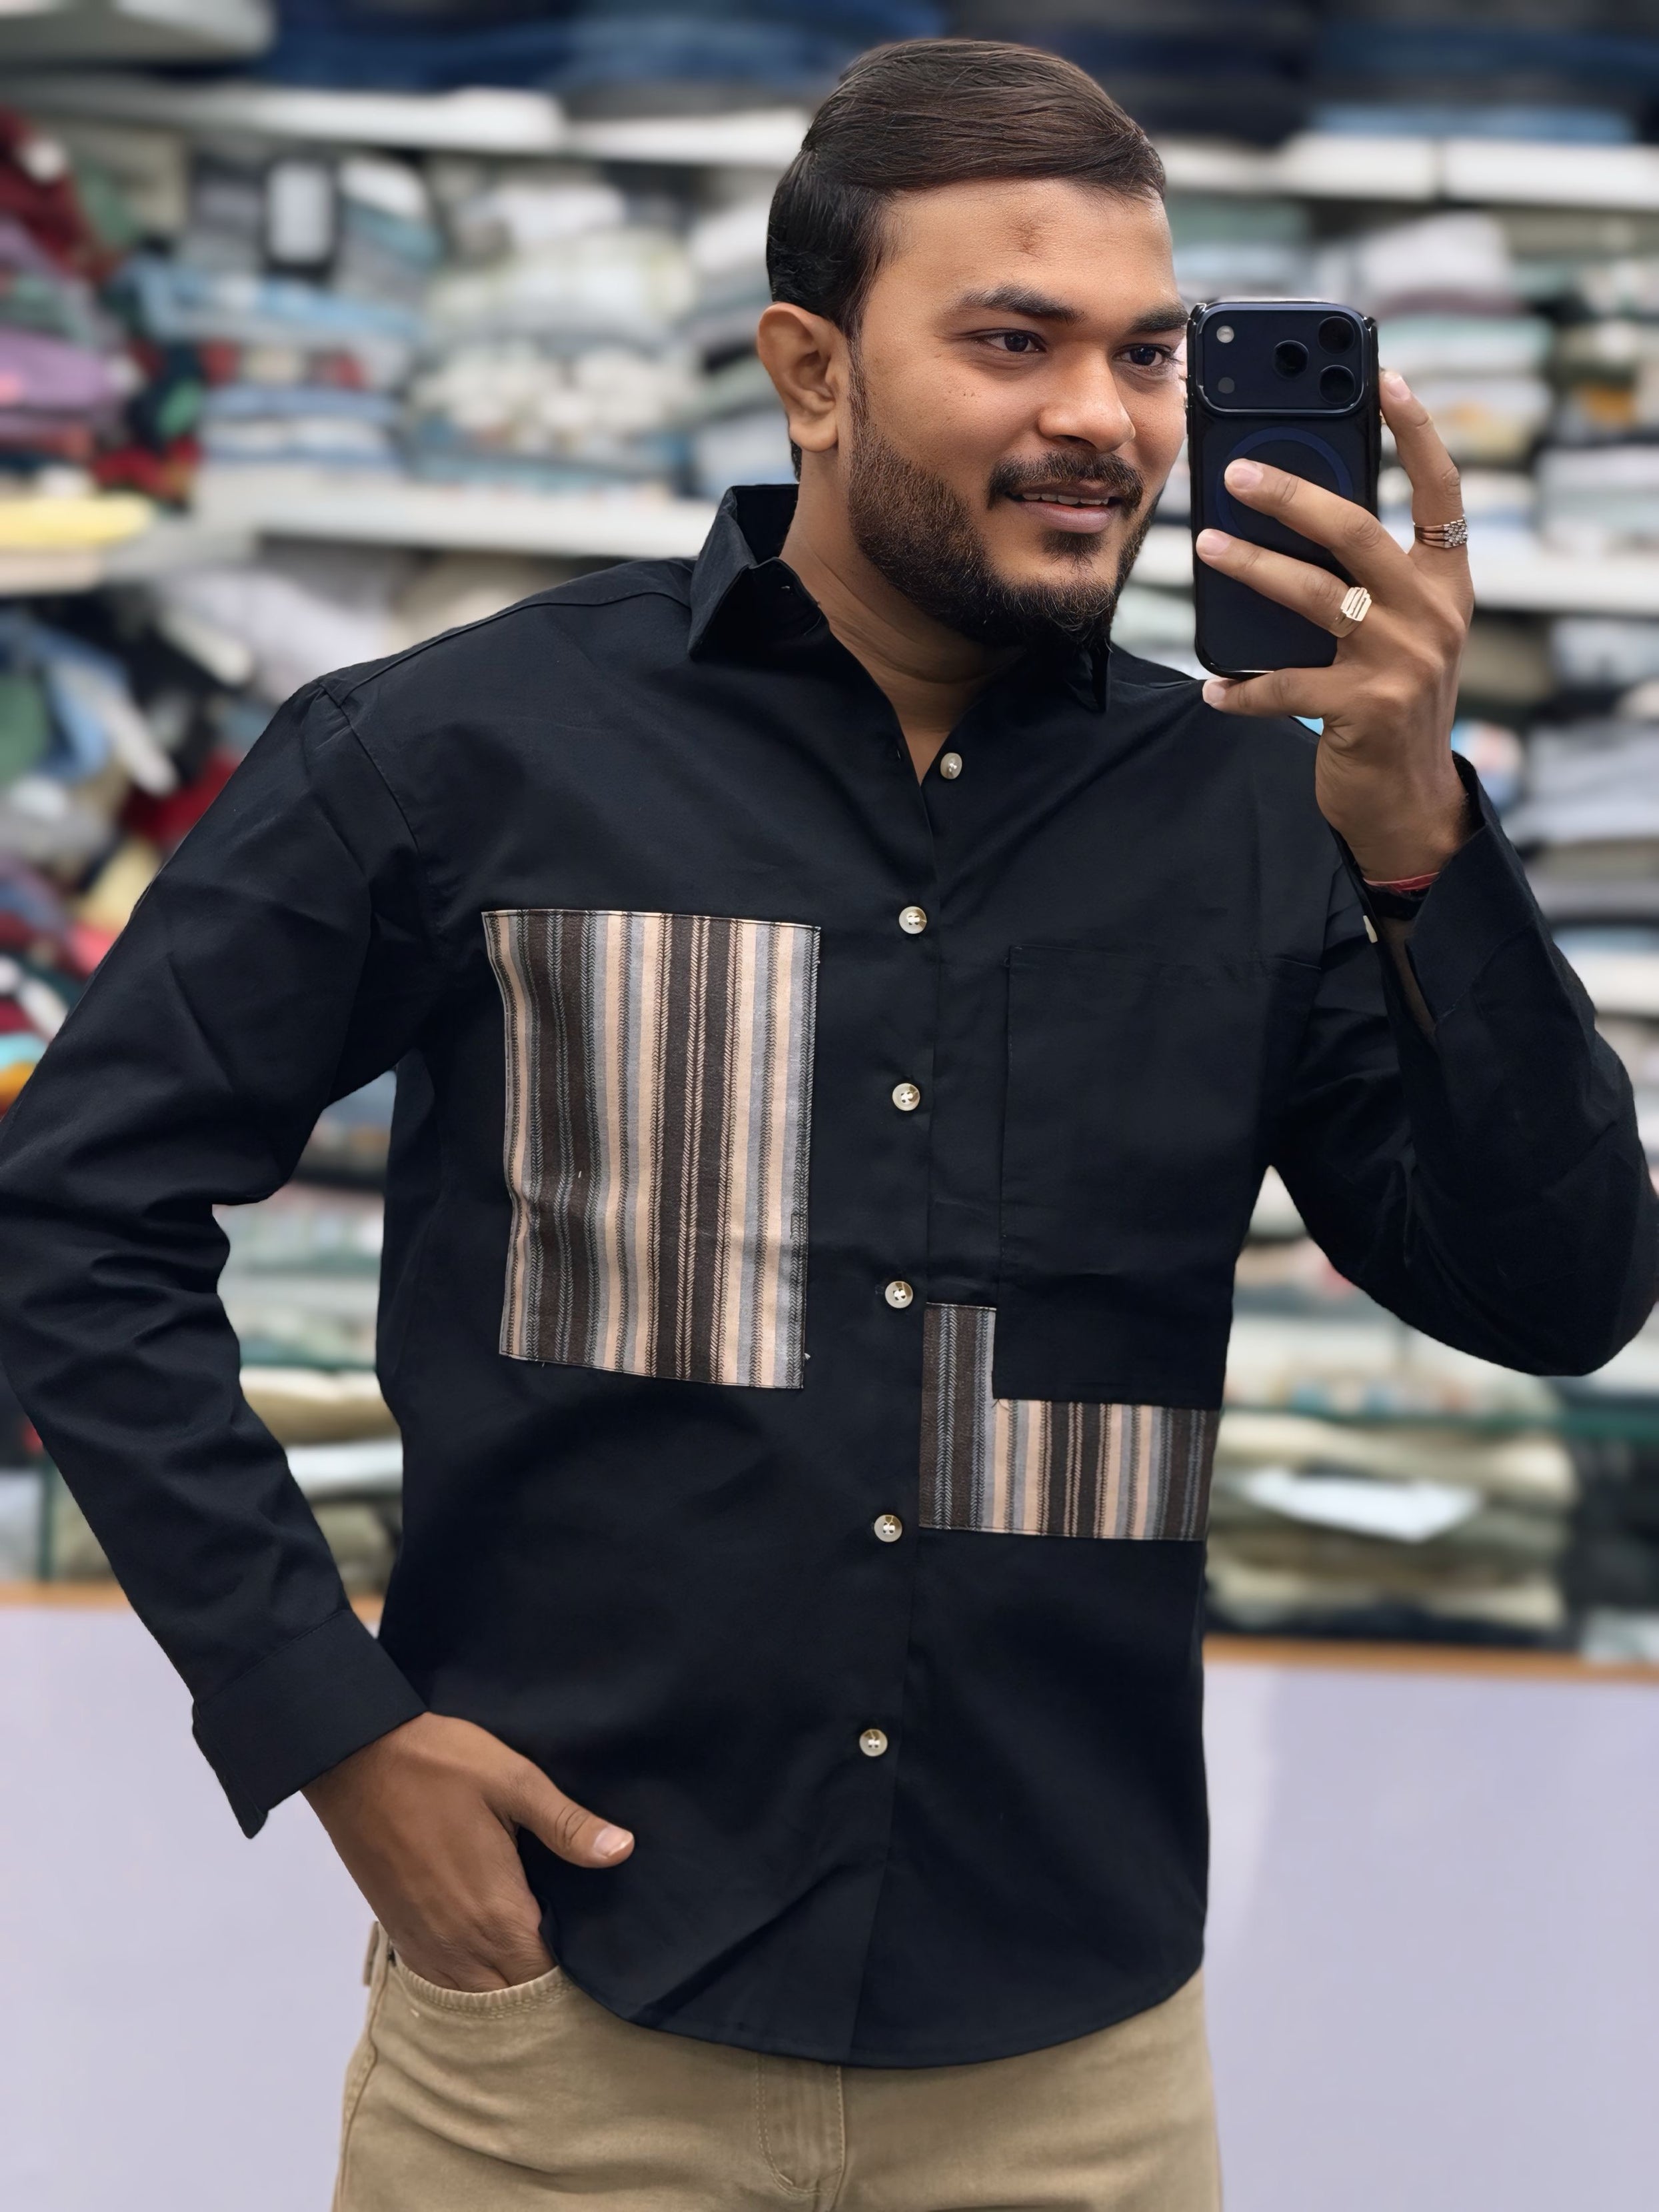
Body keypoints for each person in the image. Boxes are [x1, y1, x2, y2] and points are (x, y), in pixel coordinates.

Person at [0, 36, 1652, 2212]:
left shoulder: (1261, 818)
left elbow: (1554, 1295)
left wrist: (1421, 834)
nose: (1104, 415)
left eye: (1146, 352)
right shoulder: (458, 755)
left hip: (1069, 2078)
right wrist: (323, 1719)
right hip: (563, 2047)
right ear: (809, 370)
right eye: (1012, 341)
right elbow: (75, 1208)